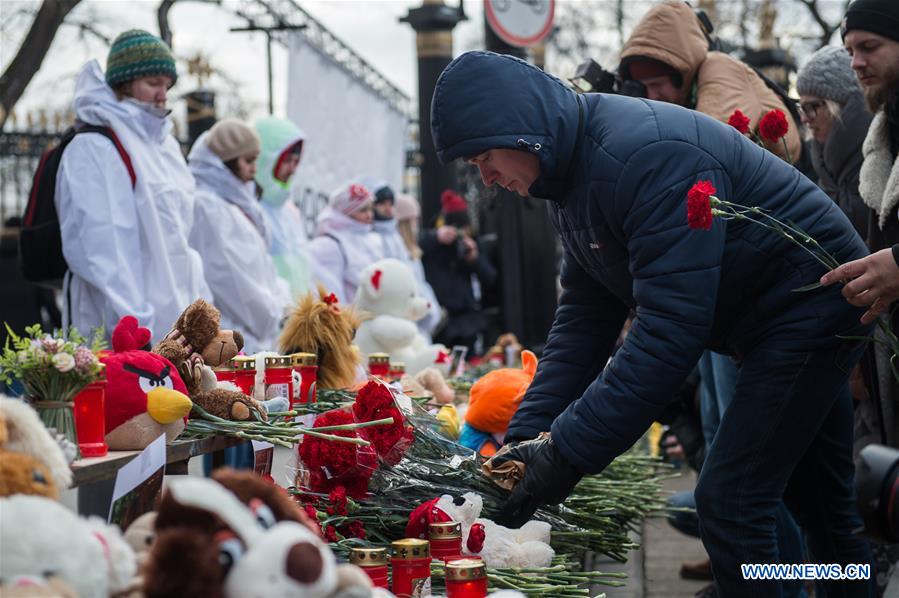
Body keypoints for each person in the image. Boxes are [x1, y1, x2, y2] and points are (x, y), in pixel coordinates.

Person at [431, 50, 873, 596]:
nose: (488, 178)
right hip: (781, 312)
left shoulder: (642, 156)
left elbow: (669, 334)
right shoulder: (570, 177)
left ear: (520, 129)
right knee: (821, 506)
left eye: (483, 158)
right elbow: (584, 321)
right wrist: (523, 447)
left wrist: (563, 454)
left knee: (731, 501)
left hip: (810, 305)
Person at [56, 30, 210, 342]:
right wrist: (139, 332)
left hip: (173, 333)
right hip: (122, 335)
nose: (163, 94)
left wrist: (198, 320)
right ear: (123, 84)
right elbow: (103, 253)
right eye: (153, 83)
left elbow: (183, 246)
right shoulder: (94, 146)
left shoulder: (163, 147)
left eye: (167, 85)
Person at [619, 0, 802, 164]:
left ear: (679, 72)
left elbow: (707, 150)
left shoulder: (719, 67)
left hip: (790, 186)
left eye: (656, 84)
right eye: (644, 87)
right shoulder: (689, 90)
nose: (651, 96)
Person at [188, 119, 290, 353]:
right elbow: (229, 276)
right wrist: (271, 316)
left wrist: (280, 308)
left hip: (257, 327)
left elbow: (261, 265)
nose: (254, 168)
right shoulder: (207, 205)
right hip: (236, 328)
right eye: (248, 160)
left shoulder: (234, 201)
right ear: (226, 162)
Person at [797, 46, 873, 238]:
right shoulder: (826, 166)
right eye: (802, 108)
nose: (805, 119)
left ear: (844, 107)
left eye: (811, 107)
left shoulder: (883, 157)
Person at [421, 190, 496, 355]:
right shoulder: (432, 240)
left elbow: (490, 278)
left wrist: (474, 258)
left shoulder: (471, 244)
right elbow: (414, 246)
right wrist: (436, 238)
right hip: (440, 317)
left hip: (466, 318)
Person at [255, 116, 313, 302]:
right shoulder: (251, 210)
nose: (293, 169)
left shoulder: (289, 211)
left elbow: (304, 270)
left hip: (297, 323)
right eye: (288, 161)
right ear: (266, 159)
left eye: (297, 162)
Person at [309, 181, 384, 304]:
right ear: (346, 212)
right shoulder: (328, 244)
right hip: (352, 320)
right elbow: (330, 294)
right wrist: (346, 322)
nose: (369, 215)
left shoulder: (370, 239)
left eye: (371, 208)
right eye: (363, 210)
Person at [394, 192, 442, 341]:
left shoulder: (411, 249)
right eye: (413, 219)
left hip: (420, 319)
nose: (416, 224)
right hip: (411, 321)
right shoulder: (398, 248)